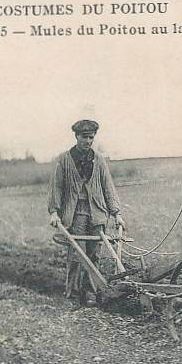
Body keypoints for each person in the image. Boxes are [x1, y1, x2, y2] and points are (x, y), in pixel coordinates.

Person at [48, 119, 126, 306]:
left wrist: (117, 213)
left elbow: (108, 186)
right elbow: (56, 187)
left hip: (97, 212)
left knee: (94, 255)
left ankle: (90, 292)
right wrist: (54, 211)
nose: (88, 141)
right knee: (77, 253)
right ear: (76, 136)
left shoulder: (98, 160)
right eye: (84, 137)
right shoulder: (64, 160)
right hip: (75, 213)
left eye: (91, 137)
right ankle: (73, 292)